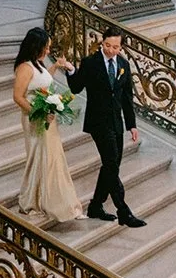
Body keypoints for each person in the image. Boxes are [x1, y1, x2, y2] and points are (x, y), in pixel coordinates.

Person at [67, 32, 146, 227]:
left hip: (116, 122)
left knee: (112, 165)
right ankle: (123, 211)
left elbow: (127, 98)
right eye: (107, 45)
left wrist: (132, 125)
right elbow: (76, 88)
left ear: (121, 48)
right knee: (111, 163)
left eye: (115, 47)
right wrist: (70, 71)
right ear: (102, 43)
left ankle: (95, 206)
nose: (110, 50)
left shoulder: (123, 65)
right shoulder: (90, 63)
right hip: (98, 122)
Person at [12, 27, 82, 225]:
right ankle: (33, 199)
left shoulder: (38, 65)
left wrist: (56, 67)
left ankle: (54, 198)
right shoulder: (25, 67)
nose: (49, 51)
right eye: (47, 47)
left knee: (51, 157)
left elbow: (42, 82)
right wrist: (38, 112)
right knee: (39, 156)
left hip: (46, 119)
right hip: (34, 119)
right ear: (37, 47)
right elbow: (18, 96)